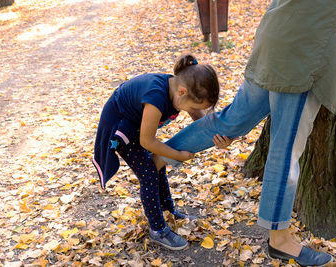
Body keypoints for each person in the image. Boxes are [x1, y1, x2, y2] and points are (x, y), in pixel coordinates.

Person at [153, 0, 336, 265]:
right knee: (285, 151)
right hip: (304, 54)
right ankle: (280, 240)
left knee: (231, 120)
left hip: (275, 37)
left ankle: (157, 158)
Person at [92, 54, 232, 250]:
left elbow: (198, 120)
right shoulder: (156, 97)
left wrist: (216, 137)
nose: (192, 111)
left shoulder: (179, 89)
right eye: (192, 106)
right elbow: (147, 141)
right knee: (149, 173)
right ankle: (158, 230)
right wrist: (177, 155)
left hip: (138, 125)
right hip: (121, 126)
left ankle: (167, 210)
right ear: (182, 92)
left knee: (157, 167)